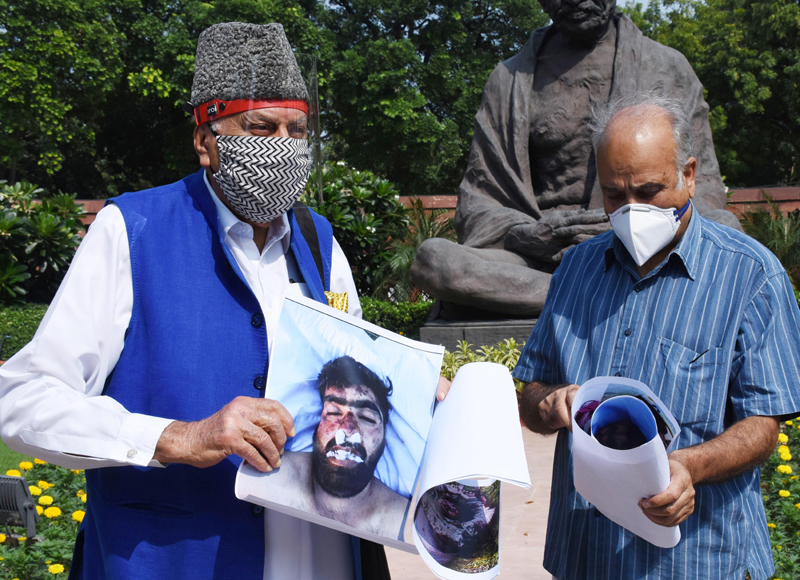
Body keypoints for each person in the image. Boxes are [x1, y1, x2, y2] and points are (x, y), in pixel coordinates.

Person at [0, 22, 451, 580]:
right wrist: (178, 437)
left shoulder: (318, 241)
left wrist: (415, 389)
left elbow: (351, 368)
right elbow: (22, 398)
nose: (283, 147)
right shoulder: (133, 231)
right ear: (204, 139)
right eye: (261, 127)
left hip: (323, 558)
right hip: (176, 559)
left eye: (297, 130)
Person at [514, 92, 800, 580]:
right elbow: (532, 391)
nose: (631, 209)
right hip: (587, 554)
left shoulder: (750, 275)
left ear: (688, 175)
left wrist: (691, 465)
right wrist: (547, 403)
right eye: (614, 194)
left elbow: (763, 424)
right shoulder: (576, 271)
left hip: (698, 559)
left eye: (648, 191)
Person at [411, 0, 741, 319]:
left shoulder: (668, 68)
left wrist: (624, 222)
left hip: (641, 246)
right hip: (537, 259)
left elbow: (704, 188)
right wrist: (528, 234)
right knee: (436, 261)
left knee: (727, 229)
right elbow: (478, 202)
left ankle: (572, 294)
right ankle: (599, 295)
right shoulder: (508, 81)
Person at [252, 356, 408, 536]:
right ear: (317, 422)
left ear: (384, 437)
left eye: (366, 417)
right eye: (334, 413)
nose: (348, 432)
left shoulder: (401, 521)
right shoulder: (267, 476)